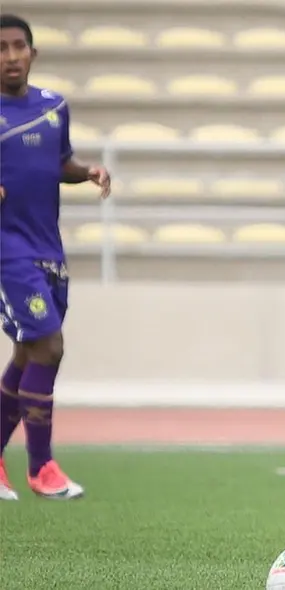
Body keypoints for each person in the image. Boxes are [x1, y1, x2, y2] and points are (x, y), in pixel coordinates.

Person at [0, 14, 111, 501]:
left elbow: (55, 162)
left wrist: (86, 172)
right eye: (0, 48)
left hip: (48, 245)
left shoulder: (53, 107)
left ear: (33, 53)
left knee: (28, 354)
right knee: (50, 346)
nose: (10, 57)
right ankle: (41, 467)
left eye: (18, 46)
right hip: (7, 250)